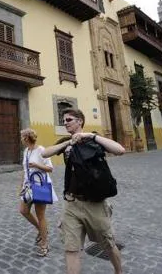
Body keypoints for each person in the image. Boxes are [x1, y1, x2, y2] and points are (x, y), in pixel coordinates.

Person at [41, 108, 125, 274]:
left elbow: (120, 150)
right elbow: (45, 153)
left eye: (69, 120)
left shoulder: (93, 139)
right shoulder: (67, 141)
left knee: (108, 245)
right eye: (64, 120)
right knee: (71, 249)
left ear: (80, 121)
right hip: (72, 204)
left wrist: (90, 136)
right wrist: (68, 142)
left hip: (95, 204)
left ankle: (119, 272)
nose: (65, 123)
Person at [18, 128, 57, 257]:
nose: (21, 139)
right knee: (23, 210)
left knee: (41, 216)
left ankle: (45, 243)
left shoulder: (41, 150)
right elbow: (25, 170)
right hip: (28, 186)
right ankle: (41, 230)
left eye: (22, 137)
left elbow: (50, 168)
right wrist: (21, 186)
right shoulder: (26, 151)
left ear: (26, 138)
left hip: (40, 186)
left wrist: (37, 165)